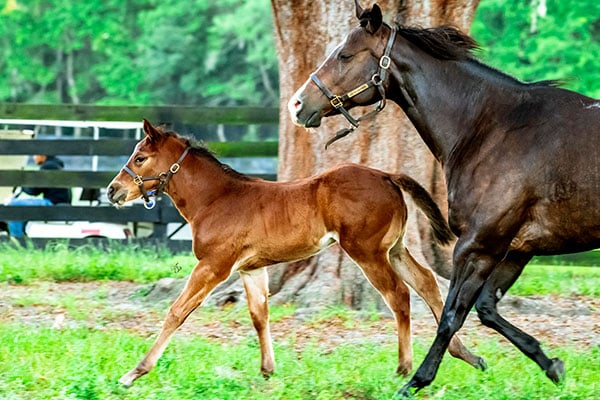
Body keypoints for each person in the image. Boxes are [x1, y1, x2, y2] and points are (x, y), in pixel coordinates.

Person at [6, 154, 72, 238]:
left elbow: (34, 190)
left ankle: (16, 239)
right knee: (21, 207)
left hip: (52, 203)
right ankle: (21, 235)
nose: (34, 158)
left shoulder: (48, 167)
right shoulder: (55, 165)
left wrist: (22, 185)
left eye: (35, 155)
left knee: (13, 205)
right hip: (59, 202)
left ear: (42, 155)